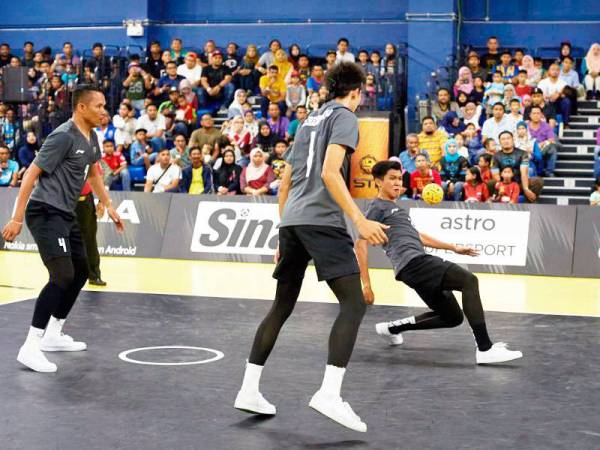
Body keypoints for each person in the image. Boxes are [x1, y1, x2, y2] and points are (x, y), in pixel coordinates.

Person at [234, 61, 388, 433]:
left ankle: (248, 389)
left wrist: (283, 228)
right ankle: (329, 394)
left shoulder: (309, 120)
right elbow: (329, 172)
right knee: (353, 303)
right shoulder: (346, 118)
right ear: (356, 92)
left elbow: (286, 179)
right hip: (322, 220)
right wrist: (359, 219)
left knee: (281, 306)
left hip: (293, 222)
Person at [1, 85, 124, 373]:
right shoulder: (62, 137)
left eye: (105, 106)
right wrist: (17, 218)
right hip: (44, 211)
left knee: (81, 270)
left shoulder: (91, 137)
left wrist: (109, 205)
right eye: (99, 106)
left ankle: (53, 333)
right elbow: (31, 174)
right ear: (82, 108)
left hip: (65, 213)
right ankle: (30, 346)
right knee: (62, 275)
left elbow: (94, 172)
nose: (104, 111)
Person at [357, 160, 521, 364]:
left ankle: (391, 328)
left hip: (412, 269)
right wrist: (366, 284)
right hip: (414, 263)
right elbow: (360, 244)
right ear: (378, 182)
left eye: (399, 179)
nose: (398, 183)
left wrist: (454, 248)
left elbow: (418, 236)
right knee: (469, 281)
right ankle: (485, 348)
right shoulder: (377, 208)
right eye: (392, 179)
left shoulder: (396, 209)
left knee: (452, 317)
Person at [491, 131, 543, 202]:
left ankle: (528, 203)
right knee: (490, 183)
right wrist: (501, 186)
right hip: (503, 184)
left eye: (508, 138)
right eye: (503, 139)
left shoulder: (523, 153)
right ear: (499, 142)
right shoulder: (495, 156)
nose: (506, 141)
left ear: (513, 140)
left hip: (519, 183)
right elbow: (496, 175)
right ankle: (496, 203)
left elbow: (524, 173)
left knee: (537, 181)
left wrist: (526, 188)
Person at [76, 163, 105, 287]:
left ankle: (94, 275)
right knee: (63, 240)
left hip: (85, 201)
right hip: (65, 201)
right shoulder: (62, 153)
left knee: (90, 239)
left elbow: (99, 180)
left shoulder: (90, 157)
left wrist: (101, 202)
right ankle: (62, 276)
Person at [527, 107, 558, 177]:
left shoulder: (546, 126)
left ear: (541, 115)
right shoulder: (525, 126)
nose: (536, 115)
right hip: (528, 149)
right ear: (530, 115)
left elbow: (551, 139)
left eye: (538, 113)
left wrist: (542, 143)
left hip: (542, 149)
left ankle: (549, 171)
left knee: (552, 148)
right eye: (534, 113)